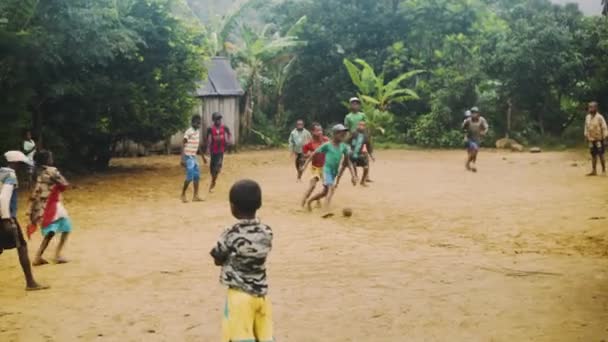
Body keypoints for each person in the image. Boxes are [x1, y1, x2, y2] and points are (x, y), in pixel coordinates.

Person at [210, 180, 274, 342]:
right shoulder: (267, 232)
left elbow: (217, 256)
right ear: (259, 204)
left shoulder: (231, 233)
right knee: (265, 337)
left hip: (239, 296)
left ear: (233, 207)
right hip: (261, 295)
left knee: (240, 337)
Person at [0, 151, 48, 291]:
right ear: (16, 164)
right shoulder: (11, 175)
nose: (23, 169)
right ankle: (30, 282)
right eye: (21, 165)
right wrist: (6, 219)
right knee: (22, 247)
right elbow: (3, 198)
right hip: (5, 217)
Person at [301, 124, 357, 217]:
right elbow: (313, 154)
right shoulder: (327, 145)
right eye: (341, 133)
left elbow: (348, 162)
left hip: (334, 172)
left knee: (325, 192)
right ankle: (325, 210)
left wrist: (353, 175)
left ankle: (310, 201)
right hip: (326, 170)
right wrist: (305, 165)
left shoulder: (344, 147)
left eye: (344, 133)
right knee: (331, 188)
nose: (343, 135)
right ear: (334, 134)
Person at [28, 150, 73, 266]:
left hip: (41, 205)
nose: (51, 158)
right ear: (47, 159)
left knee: (53, 230)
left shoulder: (37, 172)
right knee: (64, 228)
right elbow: (64, 184)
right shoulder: (52, 170)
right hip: (52, 203)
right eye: (50, 157)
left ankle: (39, 256)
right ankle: (56, 255)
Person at [337, 121, 375, 187]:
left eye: (363, 125)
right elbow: (346, 142)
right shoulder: (354, 133)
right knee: (342, 168)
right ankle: (337, 182)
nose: (361, 127)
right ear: (357, 126)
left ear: (365, 127)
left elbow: (369, 147)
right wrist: (347, 150)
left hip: (359, 155)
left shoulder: (366, 136)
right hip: (351, 154)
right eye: (360, 125)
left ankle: (362, 182)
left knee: (366, 167)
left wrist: (371, 156)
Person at [300, 123, 329, 207]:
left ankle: (316, 198)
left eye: (321, 130)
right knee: (312, 186)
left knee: (326, 188)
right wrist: (308, 155)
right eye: (317, 131)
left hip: (325, 168)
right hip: (315, 168)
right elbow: (304, 154)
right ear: (312, 132)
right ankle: (302, 203)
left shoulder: (326, 140)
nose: (320, 132)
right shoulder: (309, 144)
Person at [181, 115, 206, 203]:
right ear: (192, 123)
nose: (199, 124)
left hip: (194, 157)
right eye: (197, 123)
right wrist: (182, 159)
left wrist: (202, 157)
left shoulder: (197, 131)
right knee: (189, 177)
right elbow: (183, 144)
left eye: (200, 123)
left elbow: (197, 145)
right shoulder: (189, 132)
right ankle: (183, 194)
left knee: (196, 176)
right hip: (188, 157)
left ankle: (195, 196)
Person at [206, 112, 232, 192]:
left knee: (217, 167)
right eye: (217, 119)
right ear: (213, 120)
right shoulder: (210, 128)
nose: (219, 121)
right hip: (213, 150)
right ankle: (213, 178)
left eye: (220, 119)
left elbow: (229, 134)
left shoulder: (224, 127)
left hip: (221, 150)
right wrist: (208, 147)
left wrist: (228, 140)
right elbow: (209, 138)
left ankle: (213, 182)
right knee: (212, 168)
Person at [462, 107, 489, 172]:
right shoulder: (468, 120)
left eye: (475, 113)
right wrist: (465, 136)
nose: (474, 114)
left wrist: (484, 132)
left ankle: (469, 164)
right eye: (472, 113)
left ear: (478, 114)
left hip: (477, 139)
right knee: (474, 150)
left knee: (474, 153)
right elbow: (464, 128)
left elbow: (486, 127)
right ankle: (470, 164)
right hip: (469, 138)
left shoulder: (482, 120)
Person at [584, 101, 607, 176]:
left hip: (599, 139)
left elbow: (604, 128)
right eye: (589, 107)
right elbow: (586, 127)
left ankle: (603, 170)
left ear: (596, 108)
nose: (590, 108)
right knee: (593, 155)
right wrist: (586, 136)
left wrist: (605, 139)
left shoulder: (600, 117)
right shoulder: (587, 117)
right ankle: (594, 170)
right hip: (591, 139)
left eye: (591, 107)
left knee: (601, 154)